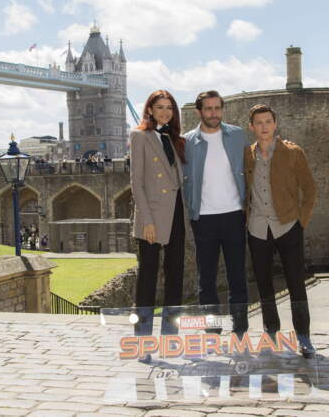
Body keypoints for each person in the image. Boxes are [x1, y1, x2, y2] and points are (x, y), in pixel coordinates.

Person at [244, 104, 317, 358]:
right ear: (252, 127)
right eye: (258, 123)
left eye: (268, 121)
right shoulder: (247, 154)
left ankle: (304, 337)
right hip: (257, 228)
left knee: (296, 283)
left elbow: (310, 189)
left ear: (275, 124)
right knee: (264, 284)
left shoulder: (293, 153)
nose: (263, 127)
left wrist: (301, 222)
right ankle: (271, 333)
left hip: (288, 226)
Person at [183, 90, 249, 337]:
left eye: (217, 108)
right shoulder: (187, 141)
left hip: (234, 214)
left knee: (237, 275)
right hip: (204, 218)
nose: (213, 113)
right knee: (206, 279)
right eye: (208, 108)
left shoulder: (237, 135)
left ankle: (240, 329)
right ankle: (212, 329)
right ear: (199, 111)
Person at [130, 90, 186, 359]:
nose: (164, 112)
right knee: (147, 280)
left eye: (169, 108)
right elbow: (136, 182)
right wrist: (147, 221)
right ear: (149, 109)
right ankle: (142, 342)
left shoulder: (174, 139)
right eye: (159, 107)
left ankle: (170, 339)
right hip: (151, 216)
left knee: (175, 278)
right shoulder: (139, 136)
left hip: (176, 214)